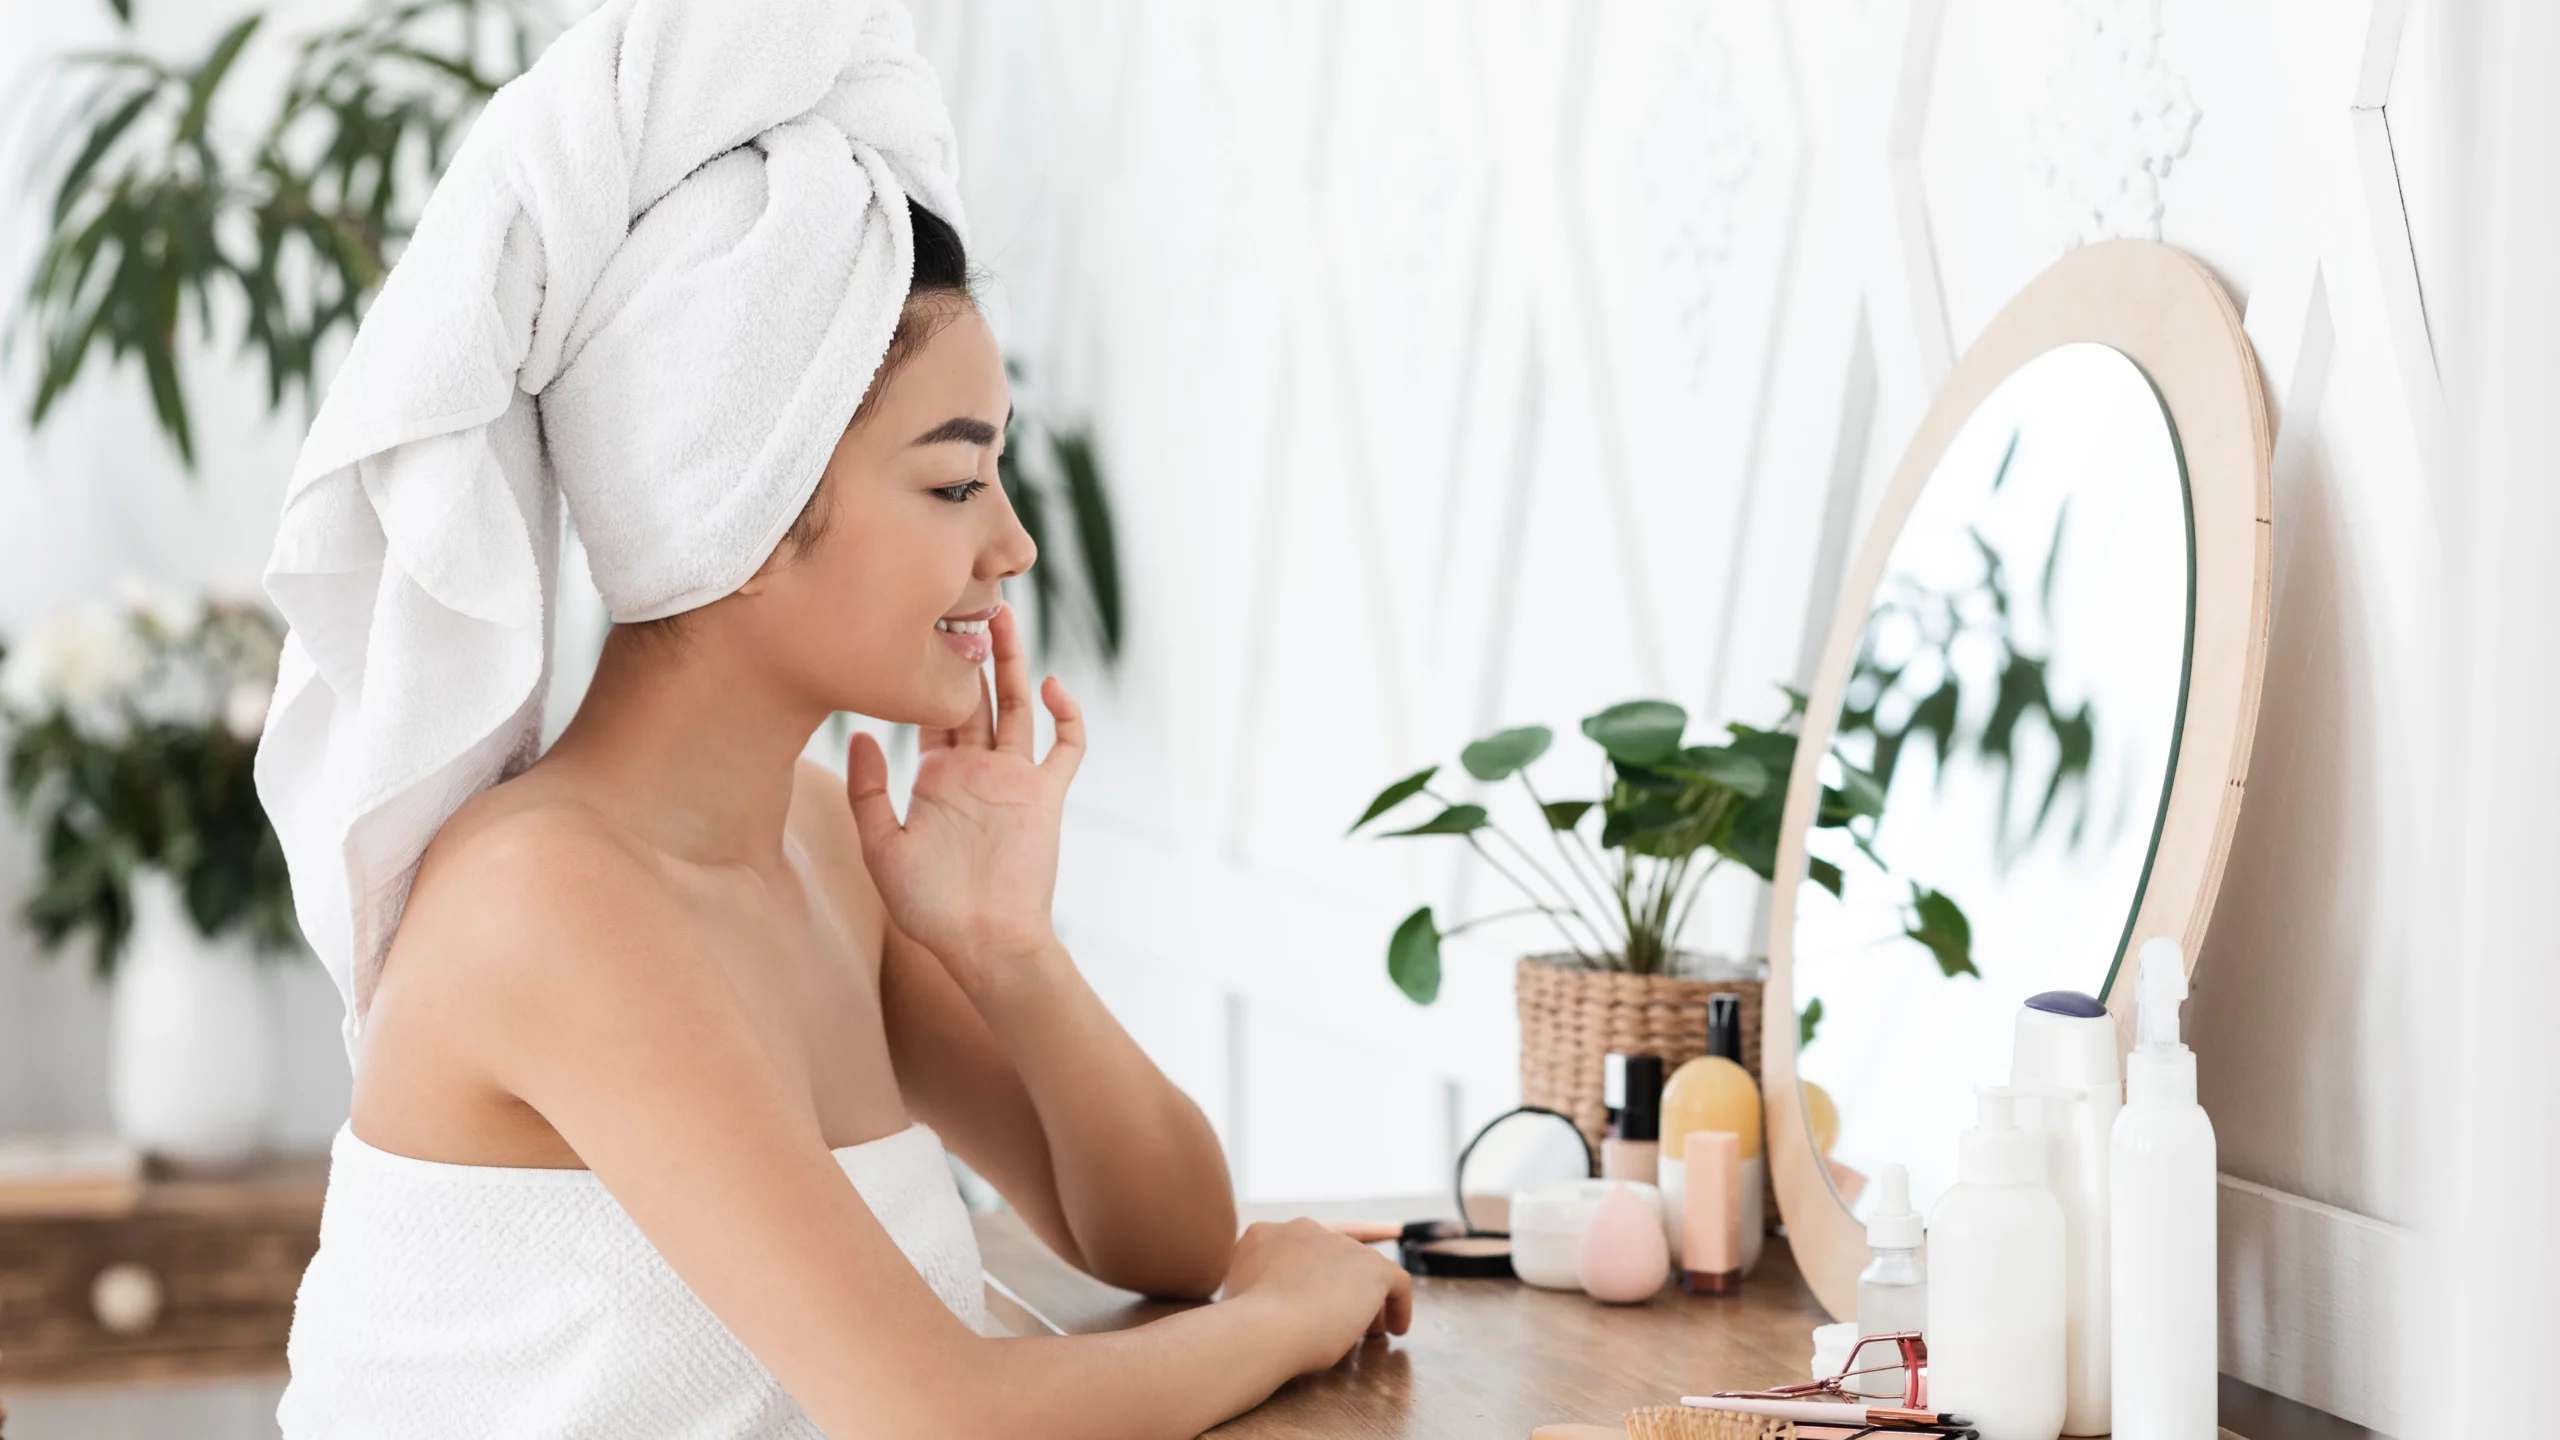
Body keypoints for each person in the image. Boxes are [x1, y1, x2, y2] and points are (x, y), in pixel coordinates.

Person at [259, 3, 1407, 1436]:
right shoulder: (539, 900)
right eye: (950, 484)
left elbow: (1165, 1239)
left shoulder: (814, 842)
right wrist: (1285, 1317)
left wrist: (1010, 955)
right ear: (746, 500)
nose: (1012, 547)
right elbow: (942, 1418)